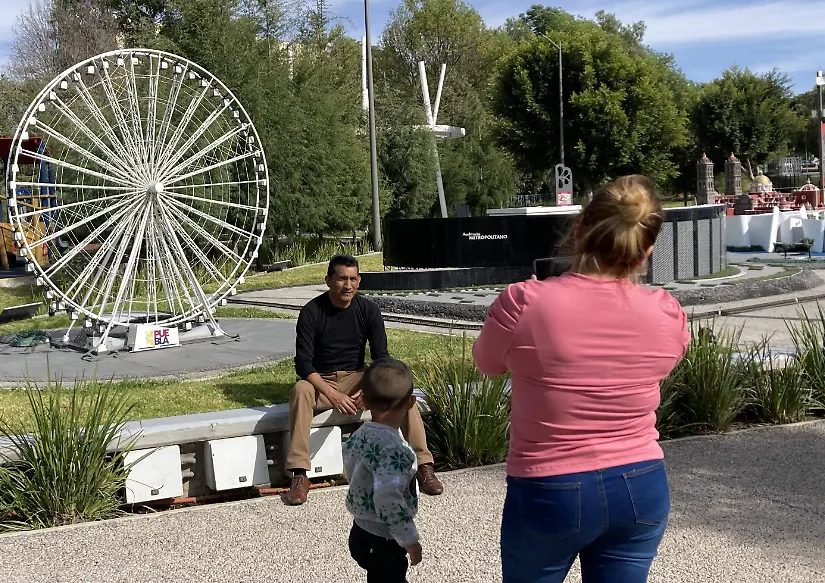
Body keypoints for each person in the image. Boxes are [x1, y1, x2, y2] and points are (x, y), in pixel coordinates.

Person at [473, 175, 691, 583]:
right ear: (646, 252)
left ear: (579, 230)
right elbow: (668, 359)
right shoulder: (667, 313)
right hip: (641, 482)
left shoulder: (524, 302)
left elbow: (487, 363)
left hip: (549, 485)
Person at [283, 254, 443, 506]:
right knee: (301, 390)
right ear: (328, 280)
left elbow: (381, 358)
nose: (348, 285)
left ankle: (424, 466)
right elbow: (303, 364)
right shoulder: (311, 312)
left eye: (353, 279)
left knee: (401, 390)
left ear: (359, 281)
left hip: (358, 376)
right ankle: (300, 474)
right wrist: (334, 395)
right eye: (342, 279)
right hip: (322, 383)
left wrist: (369, 389)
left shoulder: (368, 310)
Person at [344, 359, 424, 582]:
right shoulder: (396, 450)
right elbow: (387, 497)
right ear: (411, 402)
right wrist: (408, 538)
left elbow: (349, 464)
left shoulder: (360, 435)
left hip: (360, 530)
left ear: (365, 402)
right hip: (383, 537)